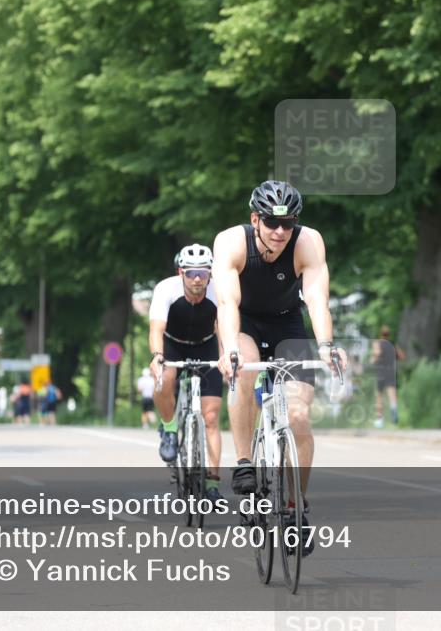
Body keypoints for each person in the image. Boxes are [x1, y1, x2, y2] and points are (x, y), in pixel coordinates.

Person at [213, 180, 348, 558]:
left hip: (288, 322)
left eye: (287, 224)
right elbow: (226, 301)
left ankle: (296, 507)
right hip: (243, 320)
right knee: (244, 369)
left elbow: (318, 300)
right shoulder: (230, 242)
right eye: (271, 222)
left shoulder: (308, 242)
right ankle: (243, 462)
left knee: (300, 415)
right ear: (255, 219)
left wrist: (325, 345)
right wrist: (228, 350)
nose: (279, 232)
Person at [149, 243, 226, 502]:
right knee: (164, 379)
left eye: (203, 273)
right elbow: (156, 329)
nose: (196, 279)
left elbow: (223, 328)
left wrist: (226, 357)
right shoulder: (165, 289)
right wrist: (158, 357)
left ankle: (213, 483)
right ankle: (170, 429)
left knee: (212, 417)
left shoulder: (219, 291)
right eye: (191, 273)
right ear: (180, 272)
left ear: (210, 274)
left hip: (206, 346)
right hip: (173, 345)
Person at [370, 325, 405, 428]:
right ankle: (394, 410)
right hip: (391, 372)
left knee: (379, 397)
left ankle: (380, 420)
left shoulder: (377, 343)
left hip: (381, 372)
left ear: (380, 333)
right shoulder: (393, 344)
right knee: (392, 395)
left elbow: (376, 355)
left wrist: (372, 360)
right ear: (389, 335)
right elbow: (402, 356)